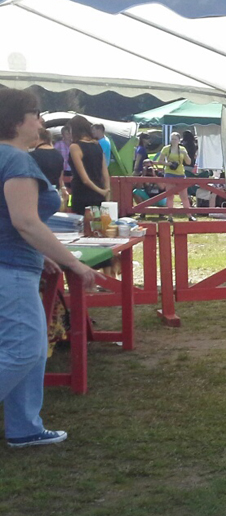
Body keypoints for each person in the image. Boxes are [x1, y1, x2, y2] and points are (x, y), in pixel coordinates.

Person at [0, 88, 100, 448]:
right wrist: (71, 261)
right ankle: (24, 425)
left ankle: (24, 427)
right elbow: (26, 221)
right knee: (24, 349)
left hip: (14, 262)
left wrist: (39, 252)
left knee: (27, 346)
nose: (41, 121)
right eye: (36, 114)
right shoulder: (16, 161)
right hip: (10, 269)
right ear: (16, 120)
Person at [68, 116, 109, 215]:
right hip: (99, 192)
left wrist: (101, 191)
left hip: (82, 193)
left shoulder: (75, 147)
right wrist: (106, 191)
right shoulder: (97, 145)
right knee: (98, 225)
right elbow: (105, 172)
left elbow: (84, 179)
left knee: (82, 226)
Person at [157, 132, 195, 222]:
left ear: (179, 140)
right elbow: (160, 161)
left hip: (181, 173)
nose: (173, 141)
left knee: (184, 196)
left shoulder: (182, 149)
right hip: (169, 173)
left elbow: (189, 162)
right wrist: (168, 164)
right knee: (170, 196)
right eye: (172, 139)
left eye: (175, 139)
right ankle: (170, 216)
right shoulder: (166, 149)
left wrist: (185, 154)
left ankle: (189, 215)